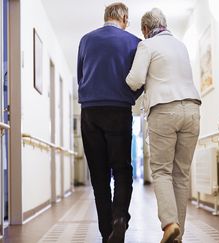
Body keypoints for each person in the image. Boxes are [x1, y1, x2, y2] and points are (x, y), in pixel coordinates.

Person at [126, 8, 201, 243]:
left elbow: (135, 80)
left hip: (164, 110)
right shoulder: (181, 45)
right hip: (192, 110)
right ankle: (177, 236)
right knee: (181, 175)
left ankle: (169, 224)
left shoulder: (147, 45)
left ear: (146, 30)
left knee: (161, 171)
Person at [77, 2, 142, 243]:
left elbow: (80, 75)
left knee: (99, 175)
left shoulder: (85, 39)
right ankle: (119, 219)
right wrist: (129, 97)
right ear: (123, 18)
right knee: (122, 169)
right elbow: (139, 79)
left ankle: (107, 233)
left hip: (90, 111)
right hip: (119, 109)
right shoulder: (135, 42)